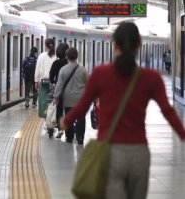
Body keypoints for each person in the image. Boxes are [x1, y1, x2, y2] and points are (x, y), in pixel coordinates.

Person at [60, 22, 185, 199]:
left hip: (111, 154)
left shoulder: (100, 74)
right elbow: (168, 111)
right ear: (139, 46)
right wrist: (182, 134)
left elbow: (83, 106)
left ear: (115, 45)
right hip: (139, 154)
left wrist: (66, 120)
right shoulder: (151, 78)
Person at [53, 47, 88, 144]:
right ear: (77, 57)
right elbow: (88, 84)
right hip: (80, 99)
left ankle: (69, 137)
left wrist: (56, 97)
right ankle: (80, 137)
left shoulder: (63, 70)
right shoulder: (83, 70)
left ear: (66, 57)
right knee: (81, 118)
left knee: (69, 117)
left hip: (67, 99)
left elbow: (59, 85)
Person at [50, 43, 69, 138]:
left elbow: (51, 78)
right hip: (70, 91)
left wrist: (55, 83)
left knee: (59, 110)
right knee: (69, 110)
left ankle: (60, 129)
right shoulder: (70, 64)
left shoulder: (55, 63)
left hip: (59, 91)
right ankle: (69, 130)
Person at [34, 38, 56, 119]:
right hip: (53, 83)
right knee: (52, 101)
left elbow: (37, 69)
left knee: (43, 101)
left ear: (46, 46)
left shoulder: (41, 56)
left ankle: (45, 118)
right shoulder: (56, 56)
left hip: (43, 82)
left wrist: (36, 81)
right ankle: (52, 117)